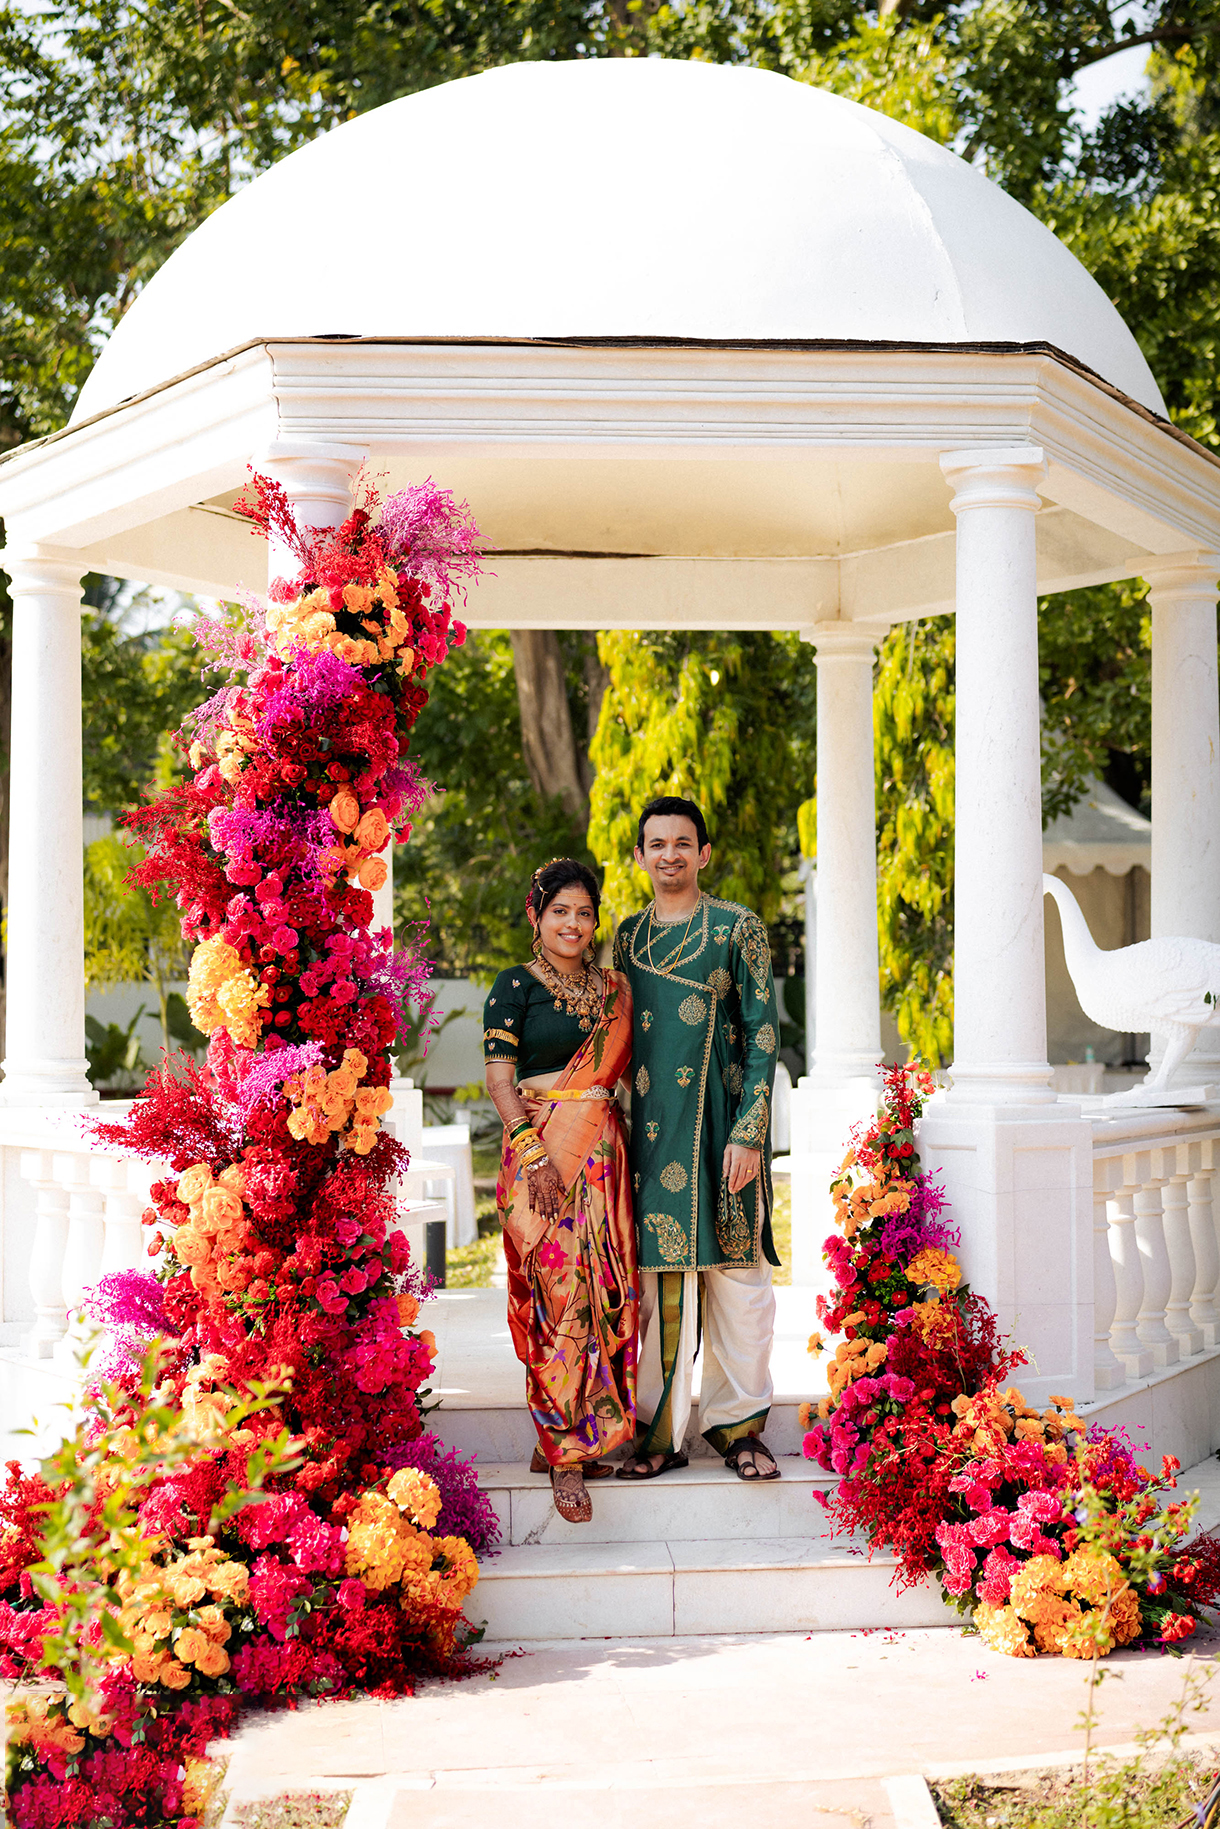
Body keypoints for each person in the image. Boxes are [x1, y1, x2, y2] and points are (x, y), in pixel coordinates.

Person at [612, 796, 781, 1482]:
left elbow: (764, 1035)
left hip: (723, 1130)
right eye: (657, 844)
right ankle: (660, 1434)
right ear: (640, 856)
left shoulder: (739, 928)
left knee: (739, 1287)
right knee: (660, 1291)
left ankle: (740, 1430)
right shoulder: (627, 938)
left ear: (704, 853)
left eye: (683, 843)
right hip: (652, 1135)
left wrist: (749, 1130)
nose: (670, 855)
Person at [483, 858, 638, 1523]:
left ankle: (578, 1433)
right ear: (536, 915)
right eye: (559, 912)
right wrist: (534, 1154)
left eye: (584, 913)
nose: (573, 924)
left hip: (603, 1157)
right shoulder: (513, 986)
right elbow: (500, 1081)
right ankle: (565, 1455)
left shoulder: (614, 990)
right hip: (540, 1153)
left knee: (604, 1296)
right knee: (557, 1298)